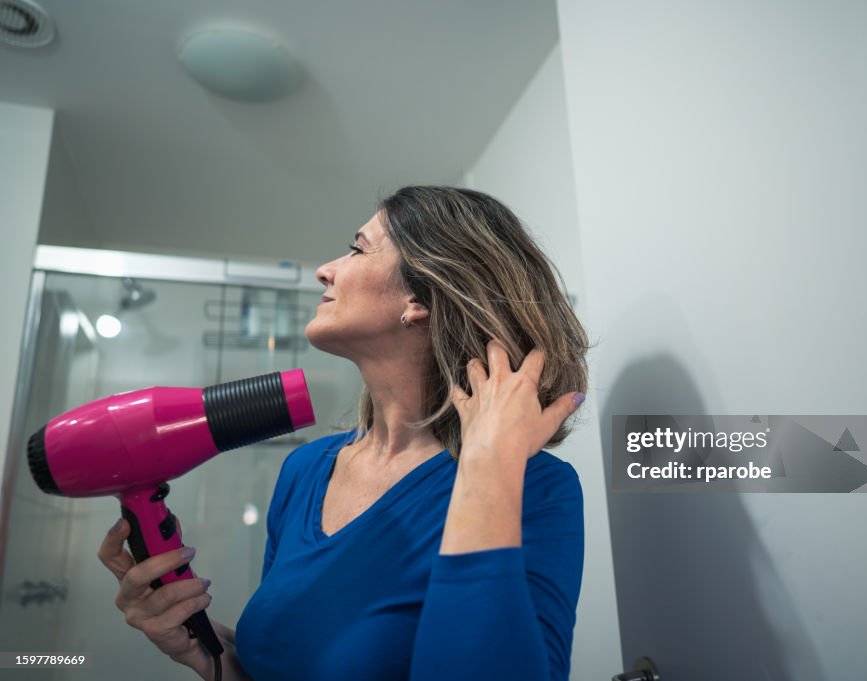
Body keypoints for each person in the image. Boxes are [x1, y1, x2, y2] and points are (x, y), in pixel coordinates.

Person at [97, 186, 590, 680]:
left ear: (421, 298)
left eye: (358, 248)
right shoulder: (306, 469)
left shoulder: (534, 486)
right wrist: (202, 651)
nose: (324, 270)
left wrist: (486, 472)